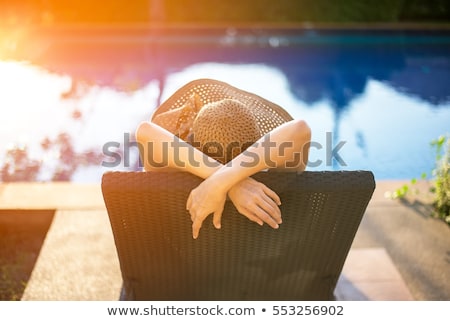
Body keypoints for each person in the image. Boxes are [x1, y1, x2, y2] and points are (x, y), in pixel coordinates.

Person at [135, 79, 311, 239]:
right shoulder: (278, 179)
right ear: (257, 143)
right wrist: (231, 182)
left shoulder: (169, 173)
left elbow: (145, 131)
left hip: (183, 269)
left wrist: (217, 181)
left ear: (192, 146)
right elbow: (300, 129)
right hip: (265, 271)